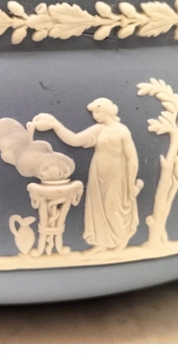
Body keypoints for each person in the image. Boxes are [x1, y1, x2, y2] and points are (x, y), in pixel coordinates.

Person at [33, 98, 142, 252]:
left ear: (107, 111)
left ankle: (120, 239)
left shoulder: (122, 131)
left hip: (117, 175)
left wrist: (130, 183)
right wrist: (56, 126)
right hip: (98, 174)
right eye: (93, 113)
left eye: (97, 112)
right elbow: (74, 140)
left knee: (113, 207)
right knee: (98, 208)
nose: (95, 116)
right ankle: (103, 242)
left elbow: (132, 158)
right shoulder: (98, 130)